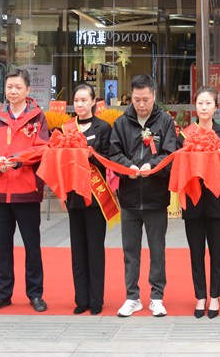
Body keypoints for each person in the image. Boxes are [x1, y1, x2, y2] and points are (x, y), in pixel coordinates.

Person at [0, 68, 50, 314]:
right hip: (1, 190)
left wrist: (20, 159)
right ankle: (3, 293)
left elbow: (43, 147)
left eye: (18, 87)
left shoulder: (37, 117)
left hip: (27, 190)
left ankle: (35, 294)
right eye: (9, 87)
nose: (13, 91)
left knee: (32, 245)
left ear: (28, 90)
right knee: (3, 246)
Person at [109, 74, 177, 317]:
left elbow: (170, 153)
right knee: (130, 251)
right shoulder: (121, 123)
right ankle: (132, 297)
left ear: (154, 95)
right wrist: (128, 167)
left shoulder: (165, 121)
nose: (141, 104)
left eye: (145, 99)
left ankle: (157, 296)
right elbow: (113, 153)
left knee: (157, 250)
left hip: (155, 196)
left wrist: (153, 166)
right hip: (129, 197)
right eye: (136, 99)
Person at [180, 86, 220, 319]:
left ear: (216, 107)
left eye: (208, 103)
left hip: (216, 199)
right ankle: (200, 295)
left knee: (216, 251)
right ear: (195, 106)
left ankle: (215, 296)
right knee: (196, 252)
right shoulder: (185, 135)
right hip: (193, 198)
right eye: (200, 103)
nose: (204, 108)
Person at [65, 83, 112, 315]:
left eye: (84, 100)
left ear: (94, 102)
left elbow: (107, 158)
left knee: (95, 249)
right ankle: (81, 299)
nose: (80, 104)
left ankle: (96, 300)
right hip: (74, 195)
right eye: (77, 100)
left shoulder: (103, 127)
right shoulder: (66, 128)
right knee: (77, 250)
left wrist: (88, 155)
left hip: (95, 197)